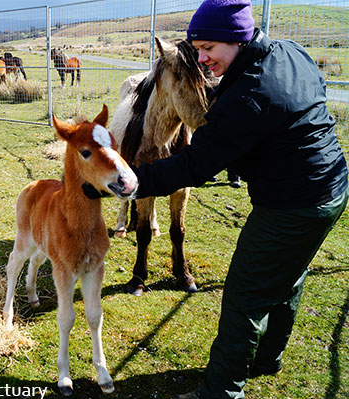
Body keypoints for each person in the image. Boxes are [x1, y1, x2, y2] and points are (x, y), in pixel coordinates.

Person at [130, 0, 349, 398]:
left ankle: (220, 391)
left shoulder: (248, 95)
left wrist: (128, 182)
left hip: (291, 204)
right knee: (288, 278)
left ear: (237, 39)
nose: (202, 59)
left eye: (210, 48)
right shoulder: (289, 51)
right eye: (197, 49)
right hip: (332, 187)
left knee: (245, 296)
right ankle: (267, 358)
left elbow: (193, 167)